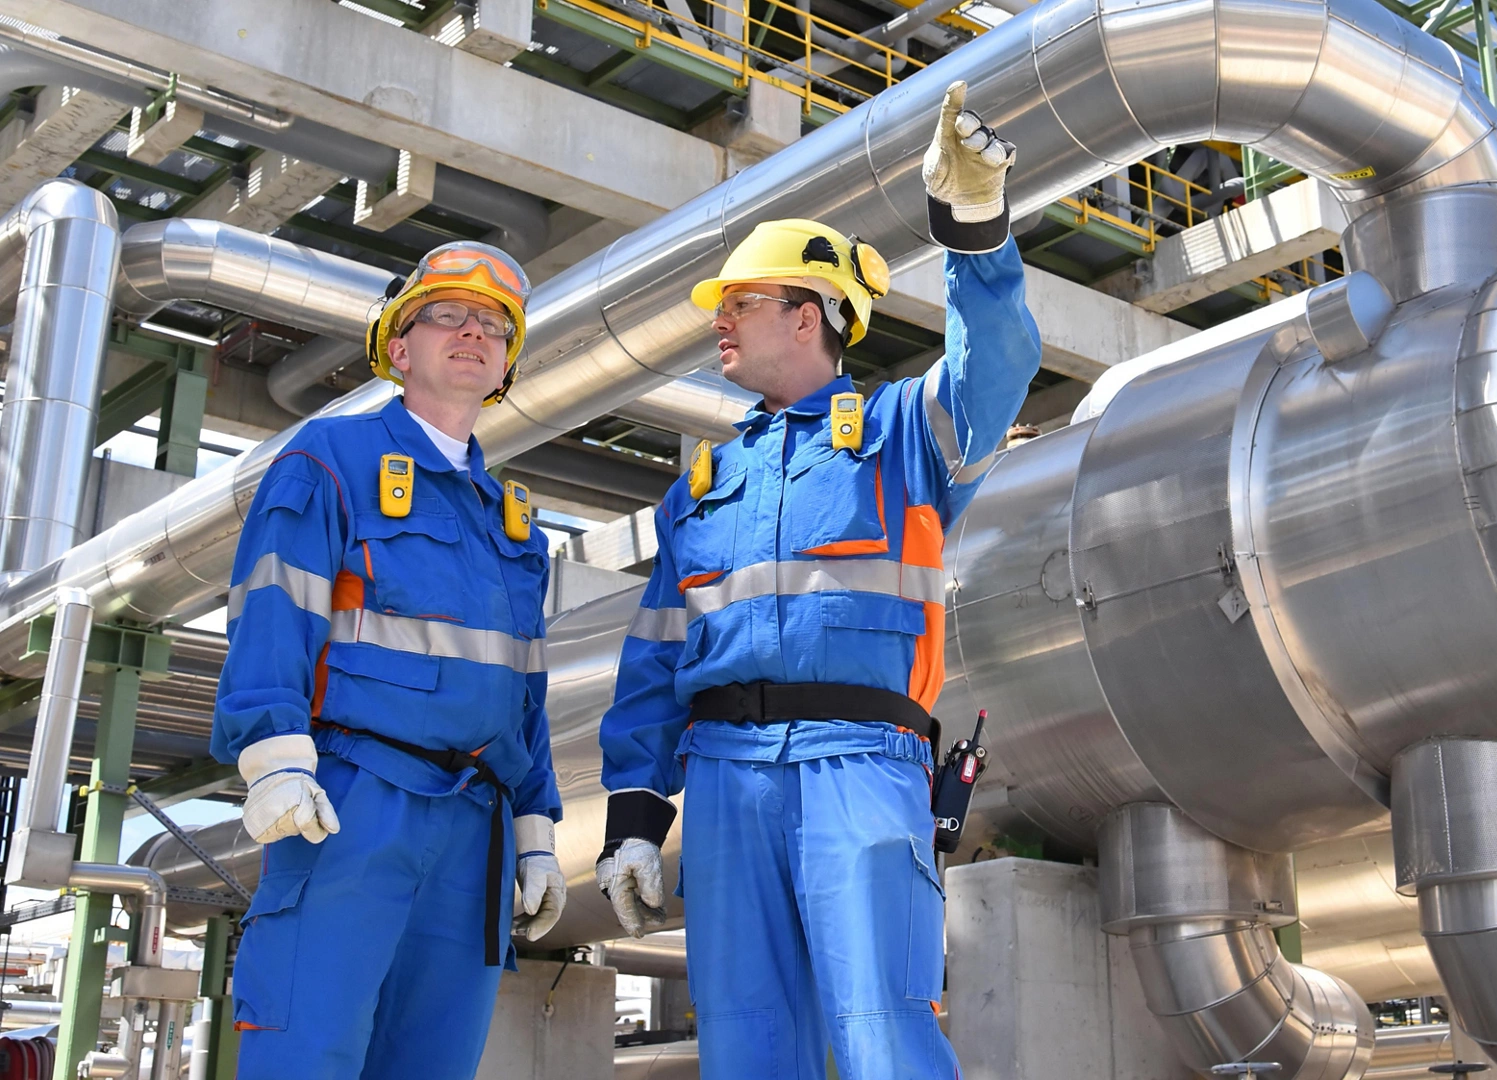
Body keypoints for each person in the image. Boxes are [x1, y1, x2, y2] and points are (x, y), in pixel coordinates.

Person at [596, 80, 1041, 1078]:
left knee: (886, 1034)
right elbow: (656, 662)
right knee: (745, 1046)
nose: (720, 322)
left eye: (742, 304)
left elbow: (996, 371)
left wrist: (975, 229)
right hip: (724, 780)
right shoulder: (702, 486)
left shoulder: (899, 435)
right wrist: (635, 817)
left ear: (811, 317)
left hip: (861, 765)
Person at [211, 241, 567, 1080]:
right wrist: (273, 756)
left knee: (433, 1062)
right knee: (307, 1049)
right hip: (352, 802)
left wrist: (536, 829)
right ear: (398, 350)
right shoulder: (329, 459)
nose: (472, 332)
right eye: (447, 316)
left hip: (476, 826)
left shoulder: (514, 525)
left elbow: (523, 691)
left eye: (493, 326)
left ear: (506, 365)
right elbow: (275, 607)